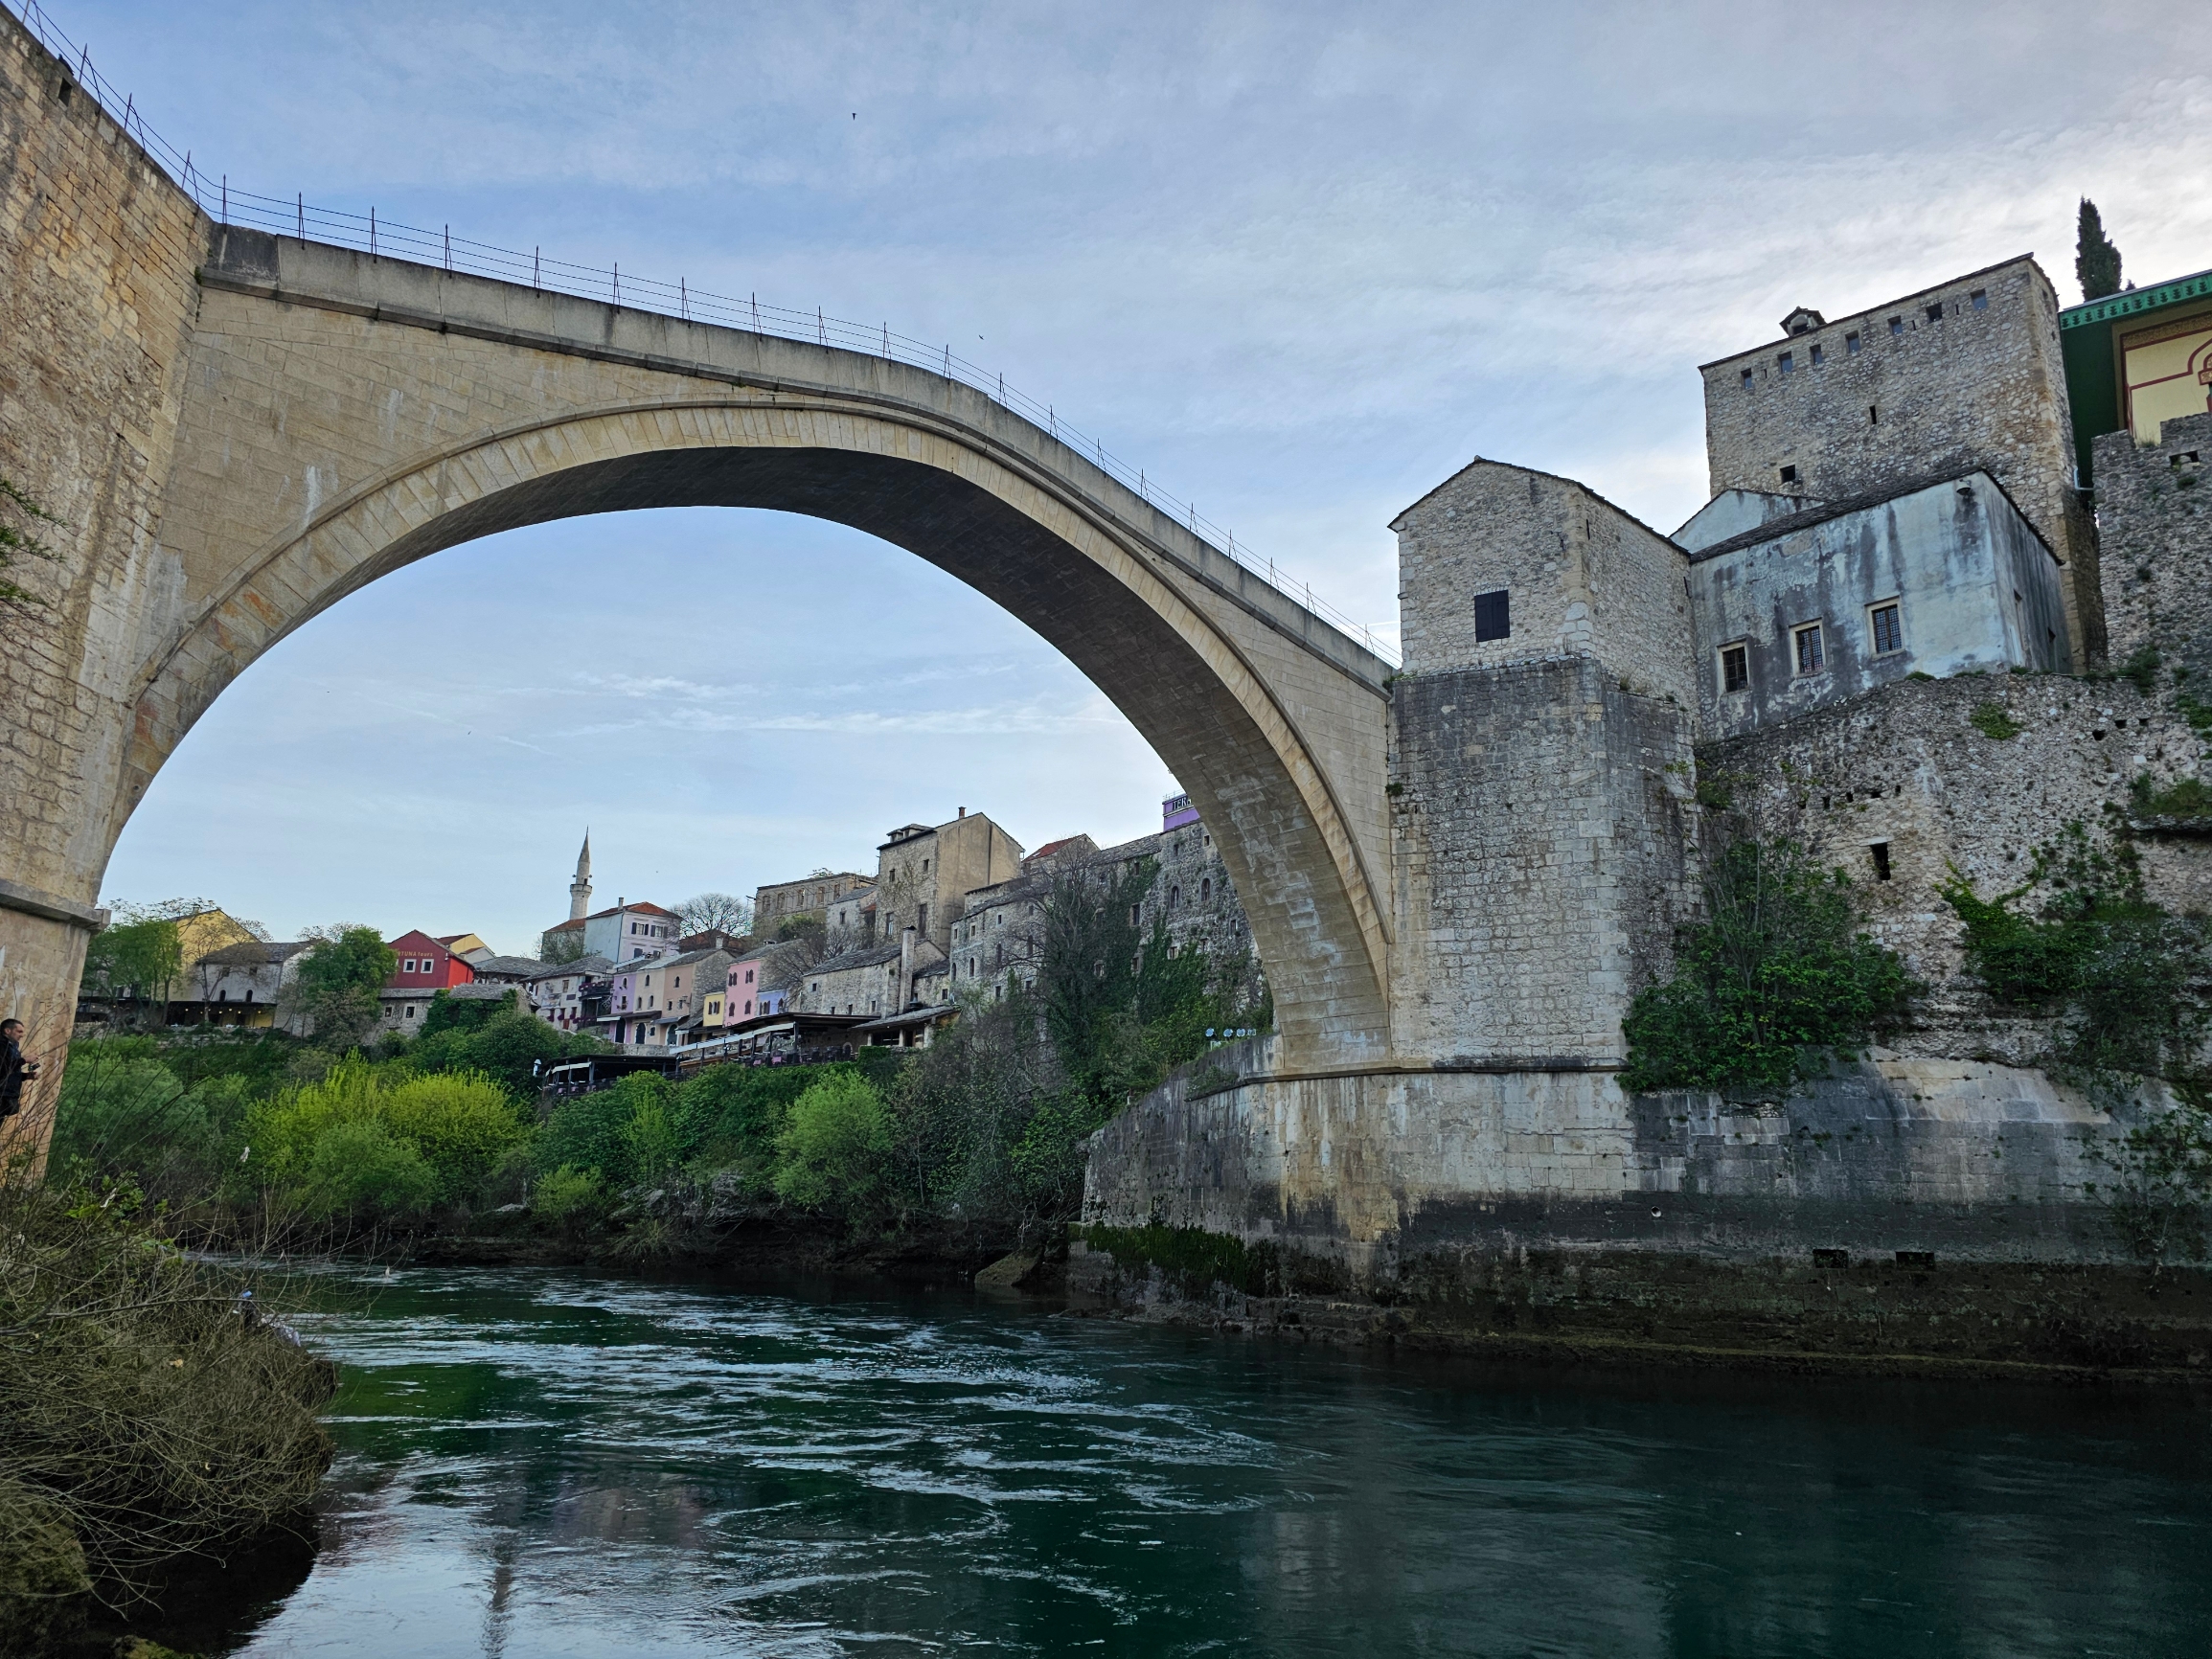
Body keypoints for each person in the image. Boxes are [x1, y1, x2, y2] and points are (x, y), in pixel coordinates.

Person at [0, 1017, 39, 1121]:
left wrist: (26, 1076)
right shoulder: (2, 1045)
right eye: (19, 1031)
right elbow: (3, 1067)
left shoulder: (12, 1046)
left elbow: (9, 1072)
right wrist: (24, 1060)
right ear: (7, 1030)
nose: (22, 1035)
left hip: (7, 1095)